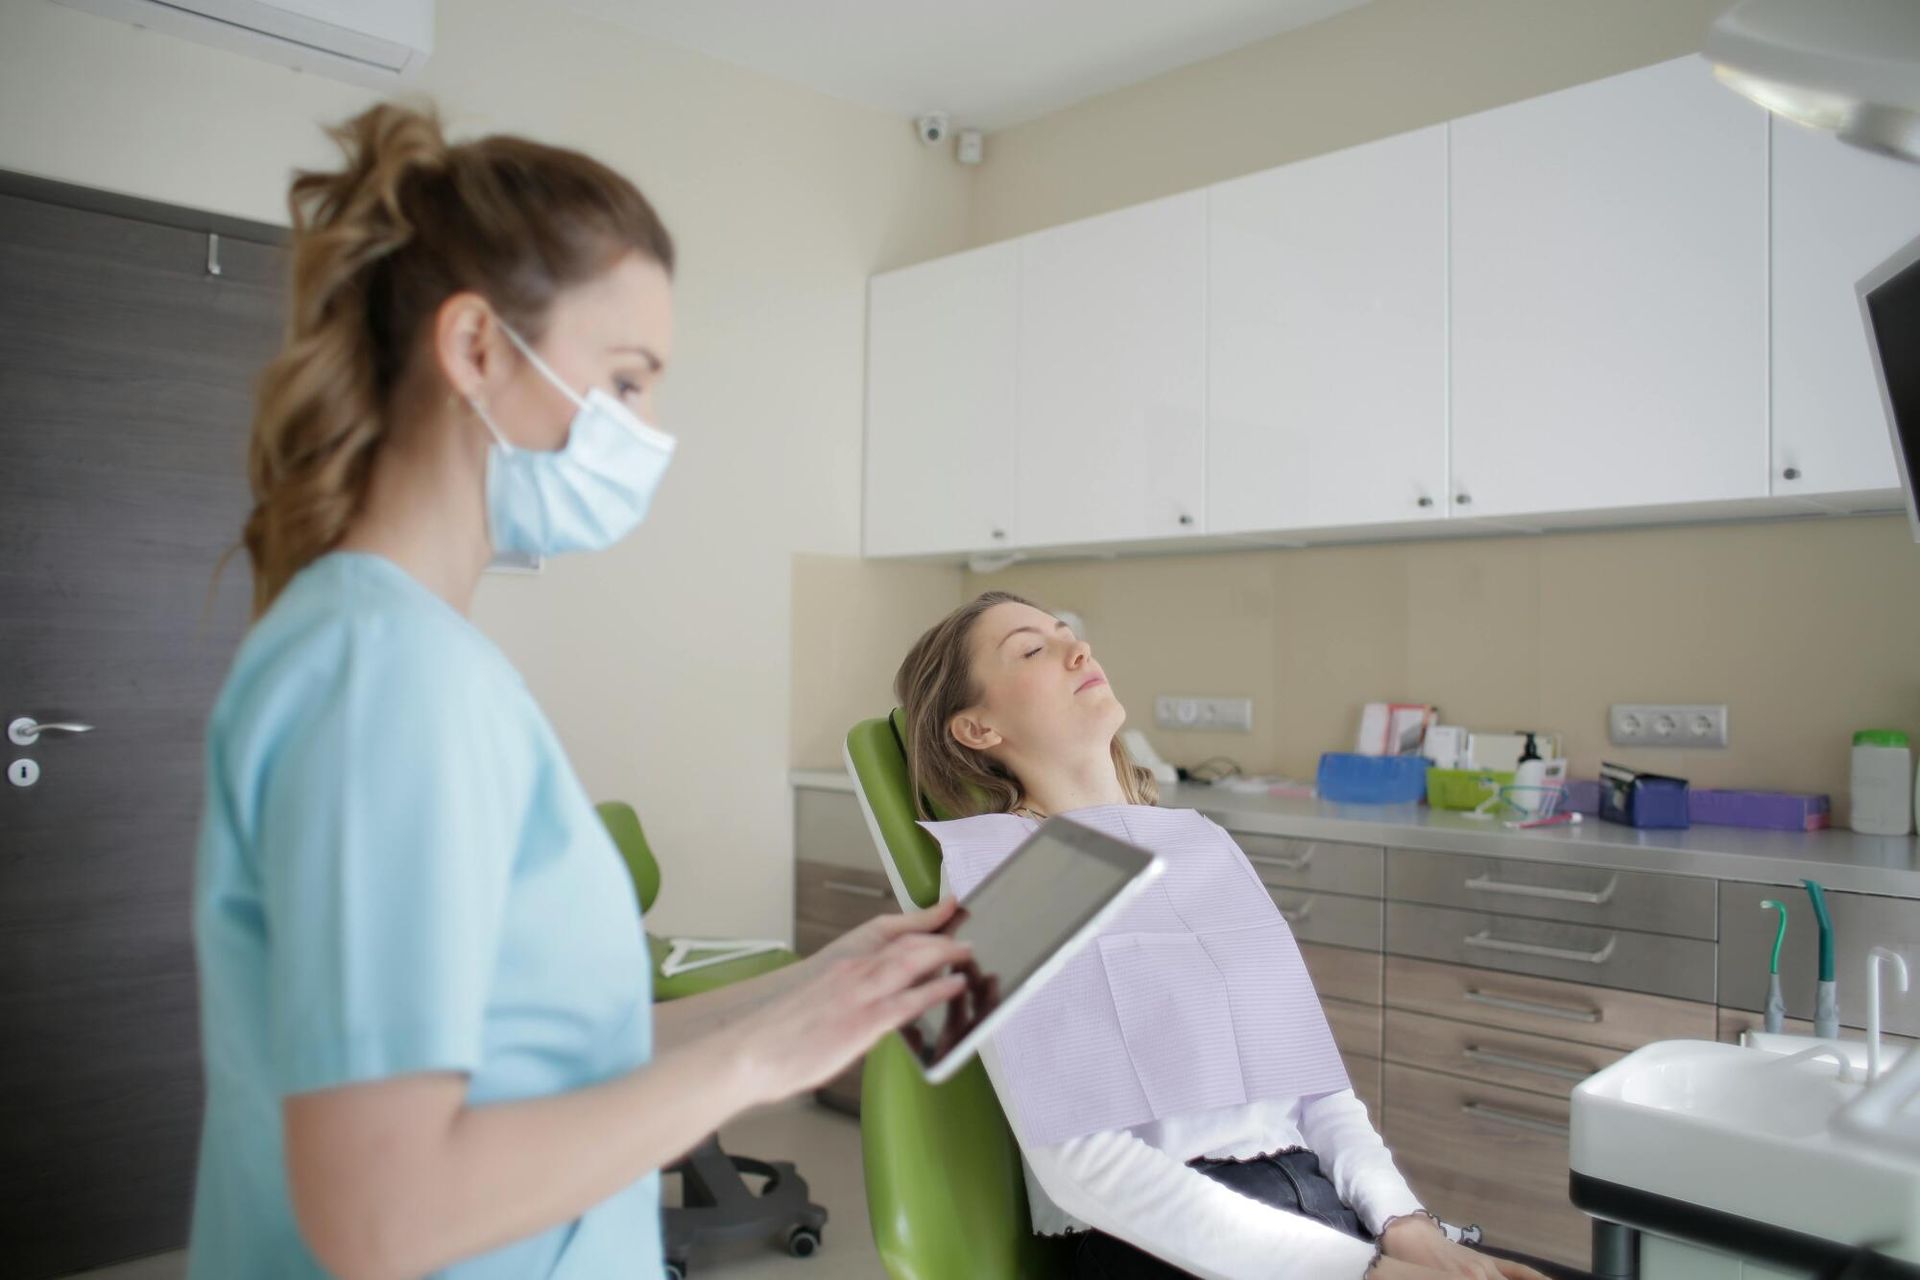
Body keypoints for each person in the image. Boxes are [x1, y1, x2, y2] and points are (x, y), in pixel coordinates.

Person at [189, 103, 969, 1280]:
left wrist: (820, 989)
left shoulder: (413, 653)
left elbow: (551, 1056)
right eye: (626, 380)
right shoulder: (384, 678)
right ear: (477, 350)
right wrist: (758, 1068)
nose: (650, 434)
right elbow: (381, 1212)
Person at [894, 591, 1555, 1280]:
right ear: (976, 729)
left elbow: (1317, 1092)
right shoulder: (1000, 878)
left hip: (1322, 1214)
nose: (1077, 651)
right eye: (1032, 649)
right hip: (1168, 1245)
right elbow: (1082, 1168)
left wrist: (1406, 1229)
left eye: (1069, 635)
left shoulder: (1201, 844)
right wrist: (1360, 1272)